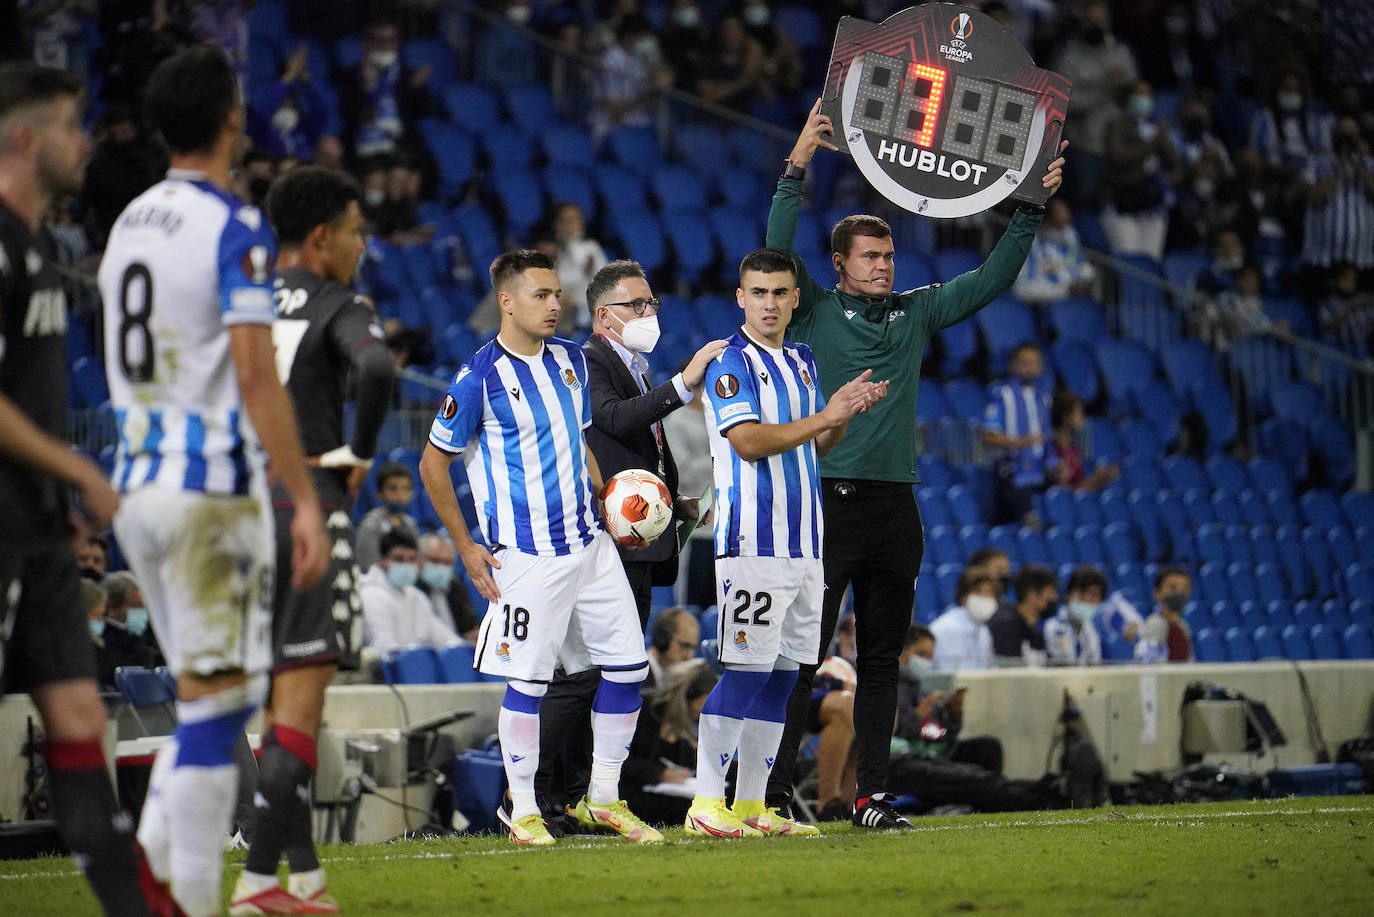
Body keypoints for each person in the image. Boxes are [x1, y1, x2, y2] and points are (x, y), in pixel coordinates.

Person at [763, 101, 1065, 830]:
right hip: (825, 503)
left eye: (889, 256)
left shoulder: (917, 310)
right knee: (803, 657)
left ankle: (870, 797)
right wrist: (796, 165)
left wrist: (1028, 211)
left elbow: (991, 279)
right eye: (870, 257)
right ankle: (769, 793)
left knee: (882, 664)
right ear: (839, 265)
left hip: (897, 506)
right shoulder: (810, 312)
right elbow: (774, 250)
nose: (883, 266)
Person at [97, 46, 329, 917]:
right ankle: (193, 898)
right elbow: (254, 373)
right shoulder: (234, 226)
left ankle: (155, 877)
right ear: (233, 118)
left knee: (204, 694)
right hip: (207, 490)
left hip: (137, 487)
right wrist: (302, 496)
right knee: (220, 701)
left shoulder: (129, 222)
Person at [418, 249, 661, 846]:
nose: (557, 305)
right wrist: (465, 545)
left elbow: (577, 444)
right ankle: (522, 809)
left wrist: (616, 496)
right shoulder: (478, 378)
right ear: (507, 301)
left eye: (558, 295)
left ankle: (603, 798)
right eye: (542, 296)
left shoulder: (572, 363)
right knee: (529, 683)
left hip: (591, 543)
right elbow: (432, 464)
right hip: (526, 555)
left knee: (629, 668)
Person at [0, 62, 155, 917]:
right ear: (26, 138)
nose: (83, 139)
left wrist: (54, 497)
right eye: (68, 123)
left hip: (38, 531)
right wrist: (80, 469)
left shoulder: (43, 252)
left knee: (79, 724)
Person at [230, 163, 395, 914]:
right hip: (304, 507)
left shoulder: (239, 299)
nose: (363, 246)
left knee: (275, 704)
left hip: (229, 511)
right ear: (323, 237)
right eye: (357, 231)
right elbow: (376, 365)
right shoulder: (339, 300)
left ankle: (304, 876)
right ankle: (259, 881)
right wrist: (357, 454)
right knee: (301, 700)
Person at [687, 247, 887, 839]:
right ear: (740, 298)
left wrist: (843, 411)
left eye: (780, 293)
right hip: (753, 538)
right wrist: (826, 417)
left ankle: (752, 806)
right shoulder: (732, 365)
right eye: (759, 292)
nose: (769, 303)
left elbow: (817, 446)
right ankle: (705, 803)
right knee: (746, 672)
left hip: (806, 544)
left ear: (796, 298)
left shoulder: (801, 359)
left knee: (783, 676)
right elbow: (748, 442)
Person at [533, 260, 725, 826]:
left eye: (651, 304)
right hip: (609, 545)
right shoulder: (589, 360)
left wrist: (668, 501)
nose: (648, 314)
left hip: (637, 537)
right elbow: (611, 420)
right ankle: (539, 796)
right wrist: (684, 381)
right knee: (588, 672)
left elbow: (632, 445)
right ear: (602, 315)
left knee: (610, 673)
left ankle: (573, 795)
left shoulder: (633, 365)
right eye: (635, 305)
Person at [620, 658, 717, 827]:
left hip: (658, 793)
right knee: (685, 809)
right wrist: (659, 773)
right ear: (686, 699)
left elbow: (687, 766)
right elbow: (617, 761)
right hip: (627, 792)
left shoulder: (684, 727)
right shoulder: (642, 710)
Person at [983, 342, 1057, 527]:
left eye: (1034, 362)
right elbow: (988, 435)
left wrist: (1056, 464)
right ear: (1012, 365)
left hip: (1040, 472)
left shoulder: (1044, 398)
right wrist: (1020, 443)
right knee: (1028, 520)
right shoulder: (1002, 395)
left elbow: (1047, 438)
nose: (1030, 367)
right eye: (1024, 362)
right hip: (1011, 471)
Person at [360, 529, 462, 655]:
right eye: (399, 559)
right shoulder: (371, 595)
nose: (406, 565)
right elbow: (386, 649)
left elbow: (445, 639)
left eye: (411, 559)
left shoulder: (417, 597)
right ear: (382, 560)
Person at [1012, 198, 1097, 306]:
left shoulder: (1069, 233)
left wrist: (1085, 280)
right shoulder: (1029, 243)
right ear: (1047, 218)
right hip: (1047, 306)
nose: (1067, 214)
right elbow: (1022, 289)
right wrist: (1064, 290)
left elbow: (1084, 267)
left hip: (1075, 302)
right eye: (1060, 211)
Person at [97, 571, 160, 690]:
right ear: (110, 606)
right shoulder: (101, 645)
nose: (142, 612)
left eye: (144, 606)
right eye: (135, 606)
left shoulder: (144, 641)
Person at [929, 566, 999, 672]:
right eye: (978, 592)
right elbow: (948, 674)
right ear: (963, 596)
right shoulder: (946, 628)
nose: (985, 597)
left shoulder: (984, 631)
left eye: (990, 592)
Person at [1050, 391, 1120, 493]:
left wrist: (1100, 479)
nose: (1082, 417)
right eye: (1078, 412)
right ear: (1065, 417)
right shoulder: (1052, 445)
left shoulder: (1074, 443)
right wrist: (1096, 480)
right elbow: (1062, 493)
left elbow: (1079, 487)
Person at [551, 202, 607, 330]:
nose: (571, 224)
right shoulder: (552, 251)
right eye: (566, 220)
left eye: (575, 219)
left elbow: (604, 282)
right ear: (557, 224)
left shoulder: (591, 247)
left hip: (589, 308)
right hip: (564, 311)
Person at [355, 460, 420, 571]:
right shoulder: (370, 525)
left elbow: (415, 562)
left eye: (405, 489)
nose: (400, 495)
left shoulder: (410, 524)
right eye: (393, 488)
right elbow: (368, 566)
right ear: (379, 493)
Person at [988, 563, 1056, 667]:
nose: (1054, 598)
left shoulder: (1034, 628)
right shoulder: (1005, 624)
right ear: (1032, 595)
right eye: (1051, 593)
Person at [419, 532, 479, 642]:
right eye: (435, 561)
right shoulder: (413, 591)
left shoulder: (455, 587)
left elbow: (470, 625)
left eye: (446, 563)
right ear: (419, 559)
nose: (441, 567)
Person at [1044, 565, 1108, 666]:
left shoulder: (1092, 632)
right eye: (1082, 593)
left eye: (1096, 596)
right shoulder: (1052, 626)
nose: (1089, 600)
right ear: (1070, 594)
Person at [1140, 566, 1193, 662]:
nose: (1179, 592)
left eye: (1184, 588)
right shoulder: (1155, 623)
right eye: (1173, 587)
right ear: (1157, 593)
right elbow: (1150, 663)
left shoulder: (1183, 626)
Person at [646, 607, 700, 690]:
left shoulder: (685, 683)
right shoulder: (639, 678)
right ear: (662, 640)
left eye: (693, 649)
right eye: (685, 646)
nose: (689, 656)